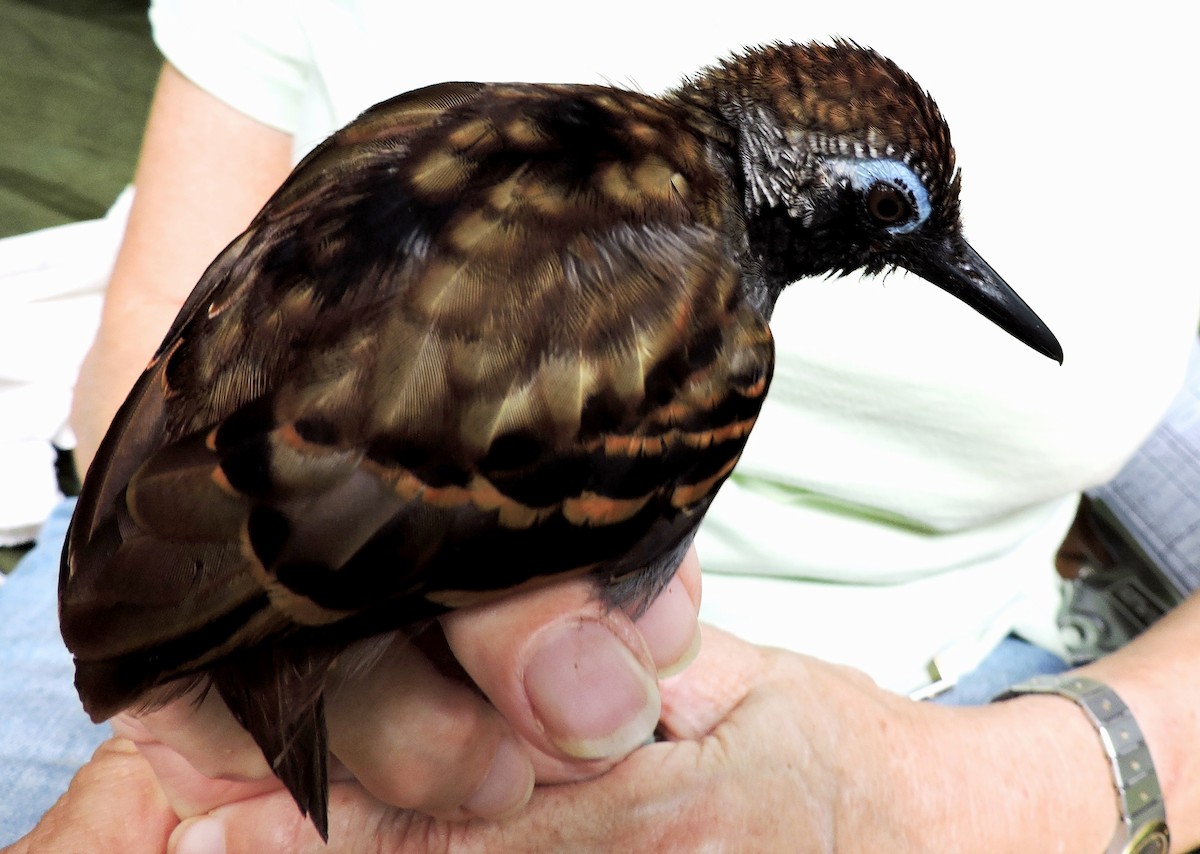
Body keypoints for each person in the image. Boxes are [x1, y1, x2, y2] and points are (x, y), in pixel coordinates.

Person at [4, 2, 1199, 851]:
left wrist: (1000, 790)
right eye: (899, 221)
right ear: (812, 194)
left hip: (944, 693)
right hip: (234, 624)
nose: (938, 262)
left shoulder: (491, 125)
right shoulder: (714, 343)